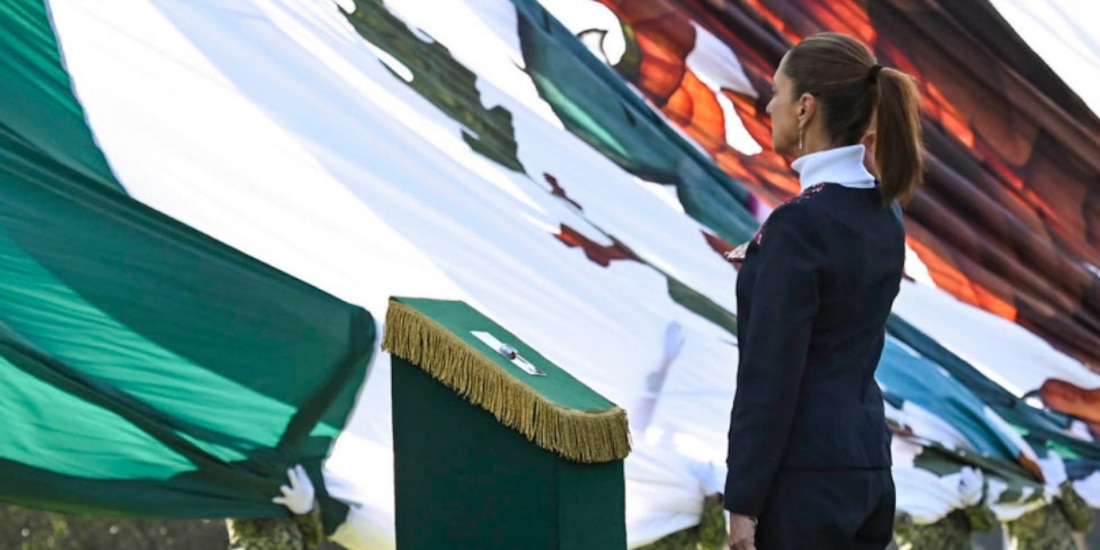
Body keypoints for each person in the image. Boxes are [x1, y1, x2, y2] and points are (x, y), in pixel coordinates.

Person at [723, 32, 924, 549]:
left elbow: (770, 375)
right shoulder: (885, 214)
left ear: (806, 108)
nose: (770, 106)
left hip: (802, 481)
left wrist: (742, 501)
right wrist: (766, 259)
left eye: (777, 92)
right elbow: (842, 292)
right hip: (867, 469)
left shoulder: (796, 226)